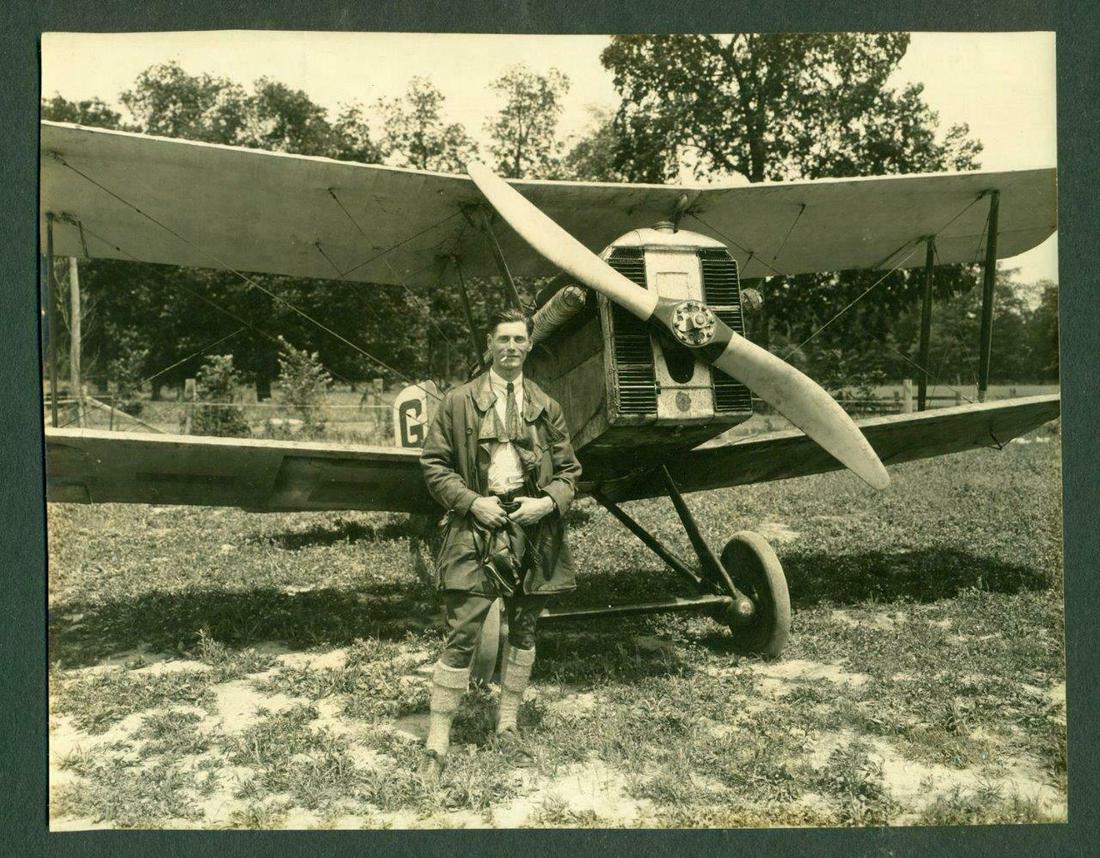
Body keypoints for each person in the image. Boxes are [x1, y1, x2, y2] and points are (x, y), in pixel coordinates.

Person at [418, 307, 582, 782]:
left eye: (519, 340)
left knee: (525, 630)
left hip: (532, 525)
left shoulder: (546, 406)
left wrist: (547, 503)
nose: (511, 348)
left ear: (530, 345)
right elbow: (434, 465)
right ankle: (437, 741)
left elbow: (570, 472)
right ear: (489, 346)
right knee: (462, 631)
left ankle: (507, 726)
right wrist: (472, 503)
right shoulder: (457, 402)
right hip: (477, 522)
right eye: (502, 340)